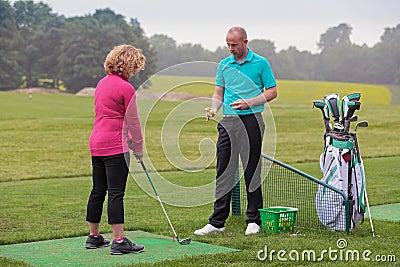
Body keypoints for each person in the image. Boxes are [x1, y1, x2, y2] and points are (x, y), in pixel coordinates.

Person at [194, 26, 277, 236]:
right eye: (228, 45)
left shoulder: (261, 63)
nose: (231, 49)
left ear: (245, 42)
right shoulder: (223, 65)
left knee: (251, 170)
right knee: (223, 171)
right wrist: (213, 109)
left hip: (252, 121)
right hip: (228, 122)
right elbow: (218, 92)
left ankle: (254, 220)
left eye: (234, 45)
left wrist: (249, 103)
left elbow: (272, 91)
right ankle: (217, 222)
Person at [85, 44, 146, 254]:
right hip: (114, 147)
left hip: (96, 143)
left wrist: (127, 136)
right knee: (116, 193)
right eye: (135, 67)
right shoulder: (126, 87)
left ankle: (93, 237)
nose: (135, 71)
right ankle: (119, 241)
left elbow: (111, 116)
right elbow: (133, 121)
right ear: (130, 65)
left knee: (97, 190)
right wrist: (138, 146)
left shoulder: (101, 83)